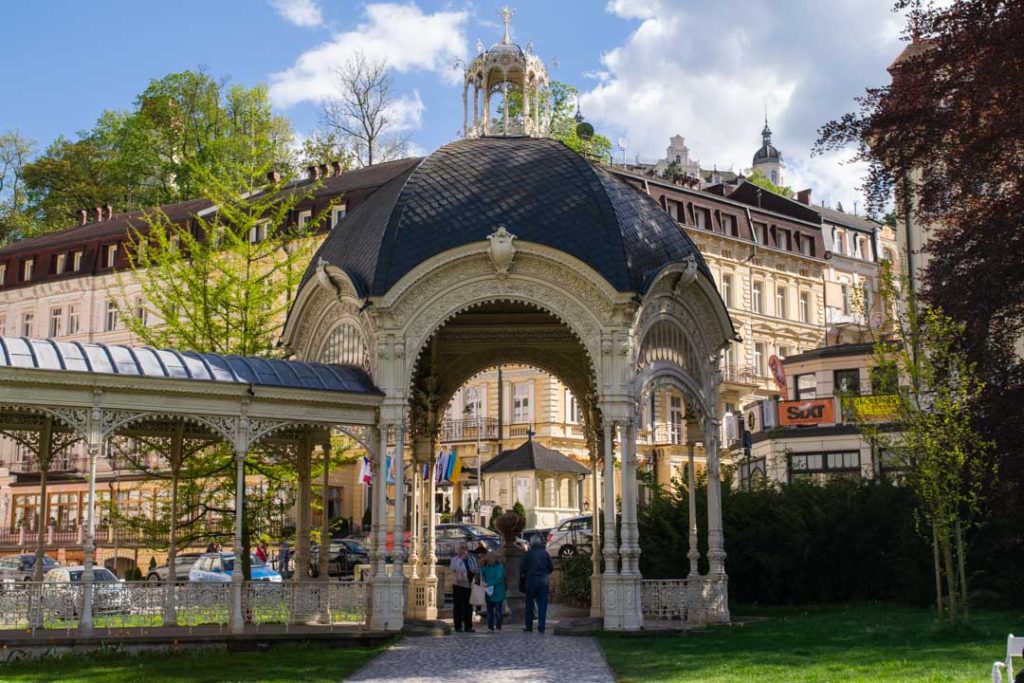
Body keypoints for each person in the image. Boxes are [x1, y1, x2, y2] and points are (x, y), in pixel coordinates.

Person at [520, 535, 554, 633]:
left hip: (531, 581)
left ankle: (529, 626)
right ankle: (541, 627)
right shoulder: (545, 554)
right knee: (542, 605)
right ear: (540, 543)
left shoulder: (528, 554)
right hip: (543, 581)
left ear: (531, 543)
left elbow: (522, 568)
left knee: (529, 605)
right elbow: (551, 568)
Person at [449, 543, 478, 632]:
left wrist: (474, 571)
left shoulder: (471, 558)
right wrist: (461, 559)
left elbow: (476, 567)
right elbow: (453, 568)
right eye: (462, 548)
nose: (464, 550)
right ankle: (458, 626)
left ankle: (468, 626)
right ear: (459, 549)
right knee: (458, 606)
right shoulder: (455, 559)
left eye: (466, 548)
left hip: (468, 584)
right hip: (458, 584)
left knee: (468, 606)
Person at [479, 552, 506, 632]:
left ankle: (491, 627)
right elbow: (500, 578)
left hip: (491, 591)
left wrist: (487, 583)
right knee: (497, 610)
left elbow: (480, 574)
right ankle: (497, 627)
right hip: (498, 591)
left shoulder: (486, 567)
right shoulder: (499, 567)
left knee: (491, 611)